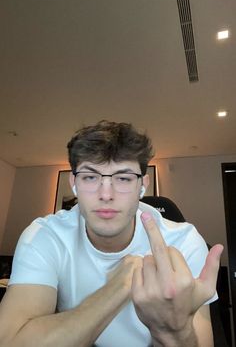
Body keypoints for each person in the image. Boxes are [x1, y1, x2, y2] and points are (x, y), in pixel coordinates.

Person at [0, 120, 223, 347]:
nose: (106, 194)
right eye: (90, 177)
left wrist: (172, 332)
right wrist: (118, 288)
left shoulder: (182, 241)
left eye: (124, 178)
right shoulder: (44, 236)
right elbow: (10, 341)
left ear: (142, 186)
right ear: (74, 183)